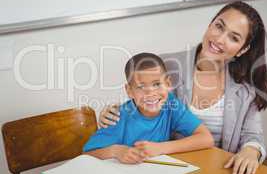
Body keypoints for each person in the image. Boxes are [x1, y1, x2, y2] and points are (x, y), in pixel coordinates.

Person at [98, 1, 267, 174]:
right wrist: (113, 114)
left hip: (220, 170)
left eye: (234, 37)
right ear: (210, 24)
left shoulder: (246, 86)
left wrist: (251, 150)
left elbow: (253, 134)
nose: (220, 39)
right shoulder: (167, 66)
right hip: (169, 168)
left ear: (242, 49)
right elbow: (140, 104)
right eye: (219, 26)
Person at [83, 53, 214, 164]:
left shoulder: (172, 105)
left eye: (157, 84)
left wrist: (160, 148)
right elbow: (88, 154)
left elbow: (206, 138)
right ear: (129, 91)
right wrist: (116, 151)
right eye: (141, 87)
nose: (150, 93)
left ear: (168, 84)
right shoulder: (118, 116)